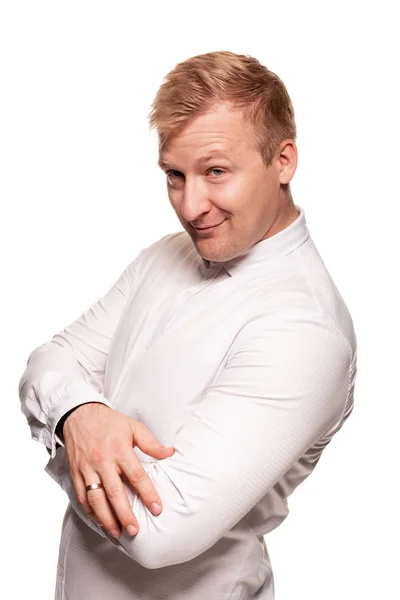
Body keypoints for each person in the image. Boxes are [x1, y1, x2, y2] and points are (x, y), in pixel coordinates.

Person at [18, 50, 357, 600]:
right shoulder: (165, 255)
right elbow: (49, 360)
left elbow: (157, 530)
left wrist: (63, 430)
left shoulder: (305, 331)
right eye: (175, 175)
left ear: (284, 161)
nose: (191, 205)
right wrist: (82, 413)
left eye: (216, 172)